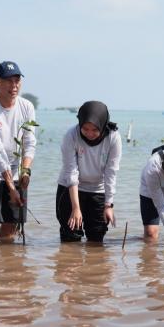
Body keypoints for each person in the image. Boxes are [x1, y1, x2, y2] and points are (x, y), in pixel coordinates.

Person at [0, 61, 37, 244]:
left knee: (12, 223)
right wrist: (11, 188)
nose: (14, 85)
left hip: (17, 169)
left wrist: (25, 171)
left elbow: (29, 141)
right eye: (8, 81)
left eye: (17, 80)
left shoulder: (27, 107)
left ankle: (10, 268)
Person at [56, 101, 122, 242]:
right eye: (85, 129)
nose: (90, 134)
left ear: (103, 124)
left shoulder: (113, 138)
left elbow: (111, 172)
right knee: (70, 236)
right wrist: (75, 208)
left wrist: (108, 205)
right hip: (70, 189)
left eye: (95, 129)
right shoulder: (71, 135)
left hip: (98, 190)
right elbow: (71, 172)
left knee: (96, 238)